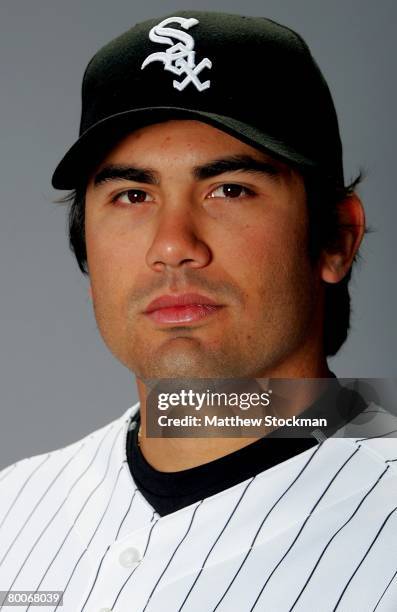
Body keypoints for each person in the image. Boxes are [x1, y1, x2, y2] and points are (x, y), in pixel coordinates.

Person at [1, 10, 396, 612]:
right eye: (132, 195)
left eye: (229, 190)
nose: (172, 245)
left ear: (336, 238)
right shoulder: (14, 508)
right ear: (89, 256)